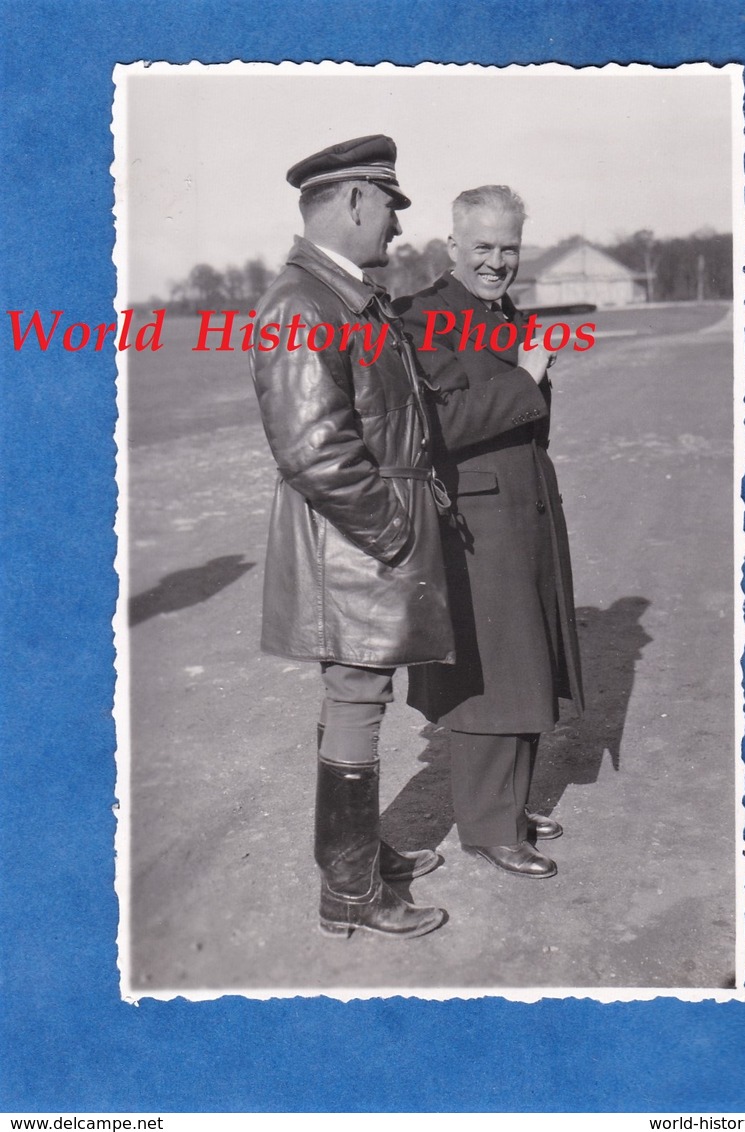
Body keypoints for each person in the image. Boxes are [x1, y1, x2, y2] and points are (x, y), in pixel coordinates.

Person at [249, 135, 455, 938]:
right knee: (357, 697)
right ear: (356, 201)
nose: (398, 228)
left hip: (361, 544)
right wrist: (398, 533)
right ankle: (350, 892)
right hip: (357, 545)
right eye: (391, 208)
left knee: (357, 699)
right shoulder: (303, 303)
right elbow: (313, 451)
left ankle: (361, 854)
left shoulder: (343, 295)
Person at [399, 185, 584, 878]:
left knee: (524, 661)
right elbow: (438, 428)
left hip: (522, 511)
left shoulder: (503, 313)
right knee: (489, 673)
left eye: (509, 247)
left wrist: (534, 383)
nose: (497, 261)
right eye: (483, 247)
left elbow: (525, 426)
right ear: (452, 246)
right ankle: (488, 825)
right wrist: (530, 378)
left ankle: (507, 804)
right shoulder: (422, 317)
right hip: (474, 522)